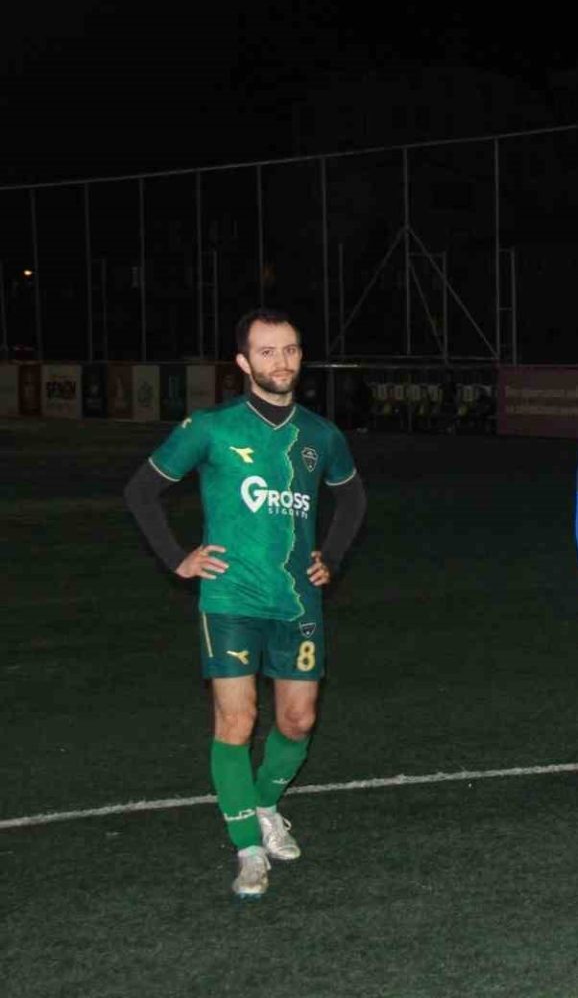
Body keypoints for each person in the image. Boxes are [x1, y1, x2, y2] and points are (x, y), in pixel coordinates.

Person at [123, 308, 367, 899]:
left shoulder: (321, 435)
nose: (281, 362)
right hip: (230, 597)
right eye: (266, 351)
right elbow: (142, 491)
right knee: (237, 720)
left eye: (290, 350)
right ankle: (248, 850)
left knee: (298, 719)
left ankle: (263, 805)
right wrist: (177, 557)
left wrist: (331, 557)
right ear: (242, 362)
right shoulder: (211, 427)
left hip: (297, 600)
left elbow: (353, 498)